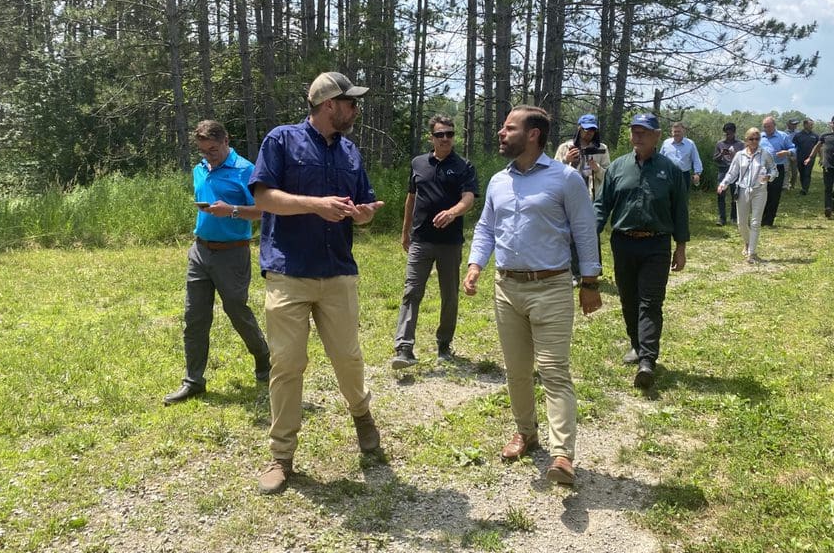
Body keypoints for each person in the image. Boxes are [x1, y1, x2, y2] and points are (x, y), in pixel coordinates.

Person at [248, 72, 385, 495]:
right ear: (329, 105)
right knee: (287, 364)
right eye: (351, 103)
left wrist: (365, 213)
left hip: (338, 271)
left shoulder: (349, 152)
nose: (356, 110)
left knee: (348, 357)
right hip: (288, 271)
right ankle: (281, 456)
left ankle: (362, 415)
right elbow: (263, 197)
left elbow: (365, 202)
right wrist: (315, 205)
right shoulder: (281, 141)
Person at [463, 106, 601, 486]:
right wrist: (476, 264)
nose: (501, 133)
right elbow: (486, 228)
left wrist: (590, 283)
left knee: (554, 371)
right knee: (517, 370)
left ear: (534, 135)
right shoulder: (497, 181)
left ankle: (562, 455)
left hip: (551, 287)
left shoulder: (565, 180)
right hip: (507, 288)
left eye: (510, 128)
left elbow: (585, 232)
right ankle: (526, 431)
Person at [164, 120, 270, 406]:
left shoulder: (246, 170)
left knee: (237, 310)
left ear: (226, 141)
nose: (208, 155)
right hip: (199, 252)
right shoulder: (199, 169)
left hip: (232, 253)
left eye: (212, 149)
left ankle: (263, 356)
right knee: (194, 317)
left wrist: (232, 211)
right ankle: (193, 381)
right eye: (202, 150)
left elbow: (263, 211)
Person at [594, 113, 689, 389]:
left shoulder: (669, 170)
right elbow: (602, 205)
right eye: (634, 132)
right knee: (628, 298)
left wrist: (680, 247)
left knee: (650, 301)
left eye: (644, 132)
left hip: (656, 244)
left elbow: (680, 211)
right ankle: (636, 344)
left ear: (657, 136)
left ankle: (648, 359)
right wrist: (589, 233)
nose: (638, 137)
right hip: (623, 242)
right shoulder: (618, 168)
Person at [391, 114, 479, 369]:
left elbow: (469, 198)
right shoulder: (418, 163)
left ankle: (444, 344)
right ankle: (404, 348)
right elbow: (411, 198)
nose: (445, 139)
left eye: (449, 134)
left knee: (449, 295)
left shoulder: (464, 165)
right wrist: (405, 231)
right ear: (431, 137)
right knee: (411, 291)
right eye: (440, 134)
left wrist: (453, 212)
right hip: (421, 240)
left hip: (450, 242)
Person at [717, 127, 776, 264]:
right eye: (752, 139)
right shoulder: (740, 155)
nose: (755, 141)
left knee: (755, 222)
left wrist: (769, 176)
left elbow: (774, 170)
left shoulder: (765, 154)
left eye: (757, 139)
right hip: (743, 190)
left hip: (759, 190)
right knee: (741, 223)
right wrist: (723, 184)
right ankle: (748, 243)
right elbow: (732, 173)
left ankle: (752, 253)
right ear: (746, 140)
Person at [554, 113, 611, 199]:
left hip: (592, 198)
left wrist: (597, 169)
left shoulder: (602, 149)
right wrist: (566, 160)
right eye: (586, 129)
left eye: (592, 129)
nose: (589, 132)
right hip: (569, 196)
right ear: (579, 128)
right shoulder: (565, 148)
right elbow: (553, 174)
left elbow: (609, 178)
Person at [759, 116, 795, 226]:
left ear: (774, 126)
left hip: (777, 168)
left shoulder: (783, 136)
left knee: (774, 194)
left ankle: (769, 220)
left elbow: (793, 148)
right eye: (765, 127)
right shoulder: (760, 136)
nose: (766, 129)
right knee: (761, 194)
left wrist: (786, 152)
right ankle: (760, 218)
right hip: (762, 169)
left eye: (769, 126)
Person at [714, 122, 744, 226]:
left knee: (735, 195)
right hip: (723, 170)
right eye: (726, 133)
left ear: (734, 133)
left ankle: (734, 217)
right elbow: (715, 159)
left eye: (730, 133)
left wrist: (735, 154)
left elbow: (744, 159)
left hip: (735, 172)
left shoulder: (740, 144)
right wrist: (721, 154)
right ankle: (722, 218)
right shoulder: (720, 144)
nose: (728, 135)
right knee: (720, 194)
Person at [660, 121, 702, 190]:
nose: (676, 133)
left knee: (683, 198)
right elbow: (660, 158)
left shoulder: (690, 143)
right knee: (667, 197)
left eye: (678, 131)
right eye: (674, 131)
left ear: (683, 131)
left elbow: (696, 159)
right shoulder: (666, 143)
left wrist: (697, 173)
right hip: (668, 175)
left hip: (684, 175)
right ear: (671, 132)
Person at [791, 118, 819, 195]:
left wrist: (821, 157)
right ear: (805, 125)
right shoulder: (798, 135)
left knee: (807, 173)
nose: (812, 126)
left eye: (812, 124)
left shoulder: (815, 136)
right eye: (810, 124)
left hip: (810, 158)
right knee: (802, 173)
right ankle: (803, 186)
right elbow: (793, 146)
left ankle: (805, 189)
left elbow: (819, 147)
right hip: (800, 158)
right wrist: (793, 156)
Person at [784, 118, 800, 191]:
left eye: (796, 124)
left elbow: (799, 145)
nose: (795, 125)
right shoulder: (784, 133)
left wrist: (794, 155)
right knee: (786, 170)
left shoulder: (798, 133)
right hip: (786, 154)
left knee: (794, 172)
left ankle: (792, 185)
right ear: (788, 124)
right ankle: (785, 185)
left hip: (795, 154)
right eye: (793, 124)